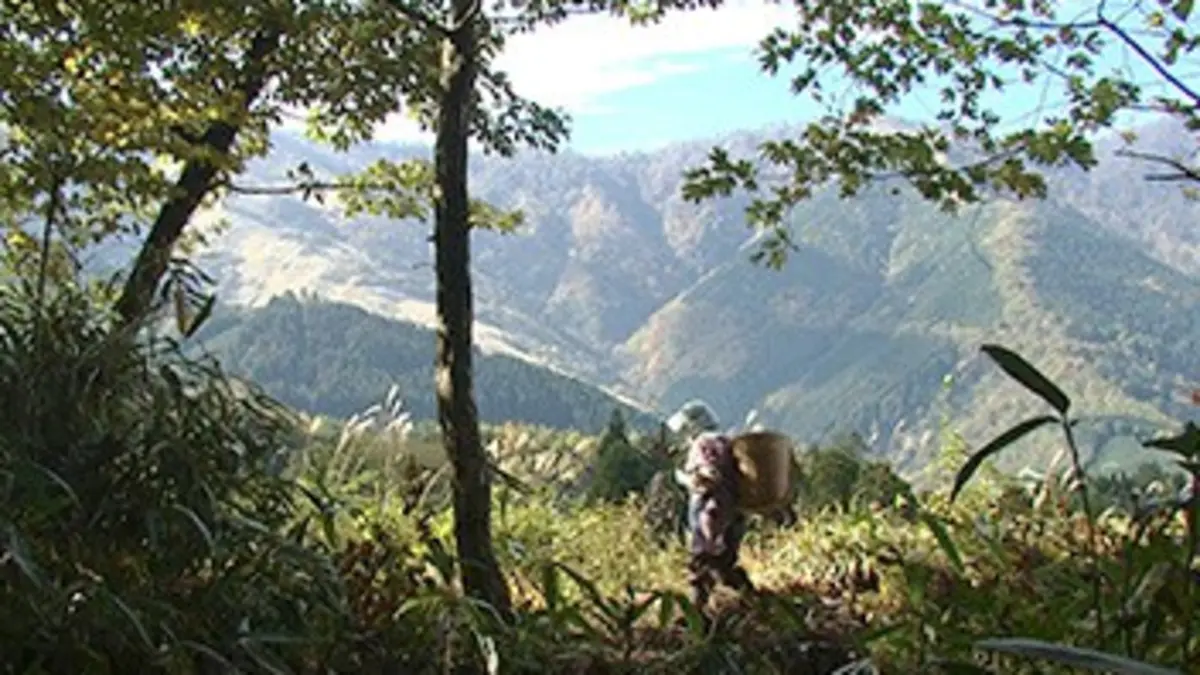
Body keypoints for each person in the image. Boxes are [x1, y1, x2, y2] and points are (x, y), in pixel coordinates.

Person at [666, 400, 755, 610]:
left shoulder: (703, 444)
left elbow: (710, 475)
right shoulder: (726, 442)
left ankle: (695, 616)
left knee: (700, 567)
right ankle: (756, 604)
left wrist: (685, 478)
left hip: (710, 516)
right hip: (732, 515)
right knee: (723, 566)